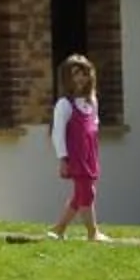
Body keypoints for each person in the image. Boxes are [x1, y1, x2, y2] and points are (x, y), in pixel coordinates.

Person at [48, 53, 108, 241]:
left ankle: (59, 229)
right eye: (75, 74)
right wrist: (63, 158)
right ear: (67, 78)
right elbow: (58, 134)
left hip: (89, 153)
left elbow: (93, 126)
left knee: (80, 194)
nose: (80, 78)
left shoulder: (92, 101)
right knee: (87, 191)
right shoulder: (65, 105)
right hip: (76, 155)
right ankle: (92, 232)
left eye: (84, 73)